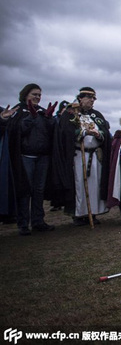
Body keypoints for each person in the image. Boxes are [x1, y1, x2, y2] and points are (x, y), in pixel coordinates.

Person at [1, 84, 57, 235]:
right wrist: (30, 118)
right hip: (25, 156)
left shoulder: (42, 112)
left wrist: (50, 119)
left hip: (42, 156)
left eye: (39, 95)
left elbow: (50, 133)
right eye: (34, 94)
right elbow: (16, 131)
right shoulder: (17, 111)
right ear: (26, 95)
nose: (37, 97)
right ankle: (23, 224)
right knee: (25, 191)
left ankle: (38, 221)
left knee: (38, 191)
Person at [52, 87, 111, 225]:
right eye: (89, 98)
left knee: (94, 184)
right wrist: (81, 133)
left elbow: (104, 132)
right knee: (79, 183)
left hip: (95, 155)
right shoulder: (70, 114)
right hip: (78, 155)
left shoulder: (96, 115)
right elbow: (65, 134)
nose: (92, 101)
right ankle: (79, 213)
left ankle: (93, 212)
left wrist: (99, 135)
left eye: (94, 98)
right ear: (80, 98)